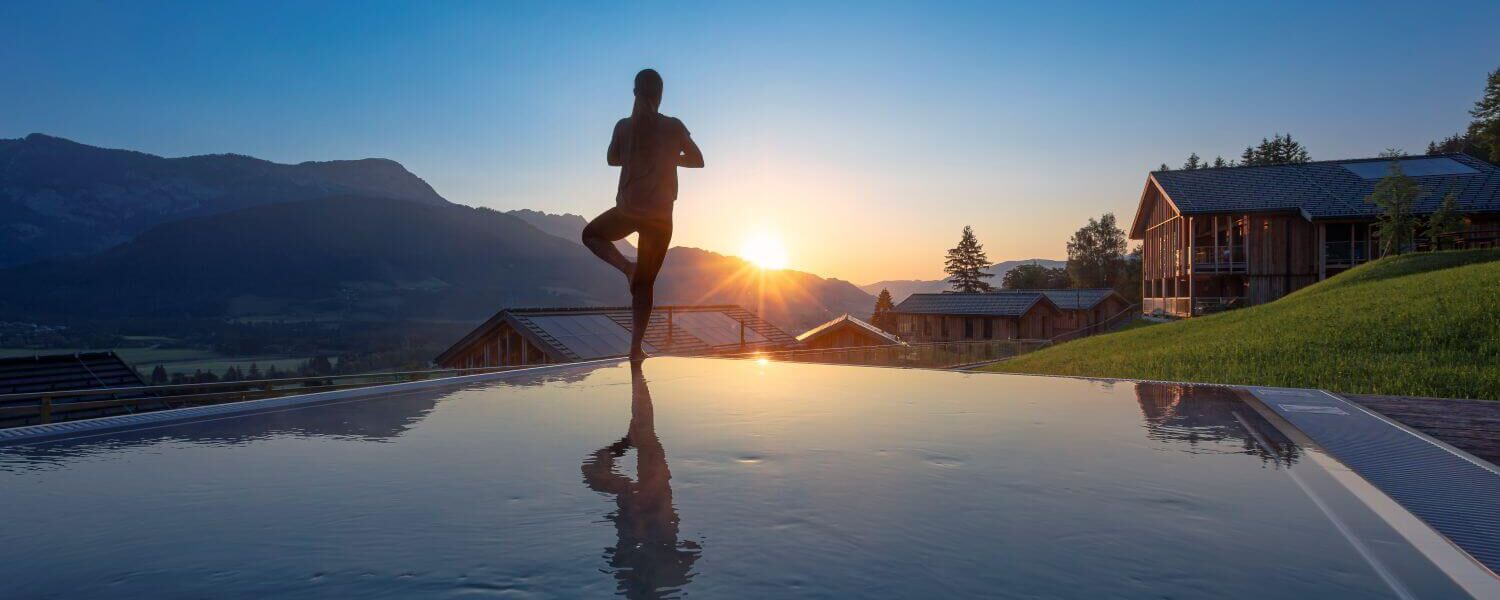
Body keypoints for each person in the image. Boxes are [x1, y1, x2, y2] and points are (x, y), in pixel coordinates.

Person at [582, 68, 704, 362]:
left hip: (628, 209)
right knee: (645, 284)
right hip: (660, 218)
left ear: (635, 92)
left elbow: (612, 158)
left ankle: (626, 268)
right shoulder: (673, 126)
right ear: (659, 95)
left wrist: (641, 155)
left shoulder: (624, 127)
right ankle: (636, 349)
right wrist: (667, 156)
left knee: (591, 235)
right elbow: (698, 160)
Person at [580, 362, 701, 598]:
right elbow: (692, 550)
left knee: (641, 437)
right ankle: (632, 433)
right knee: (645, 435)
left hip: (639, 503)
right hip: (650, 501)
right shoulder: (667, 579)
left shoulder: (635, 579)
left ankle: (630, 436)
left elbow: (692, 551)